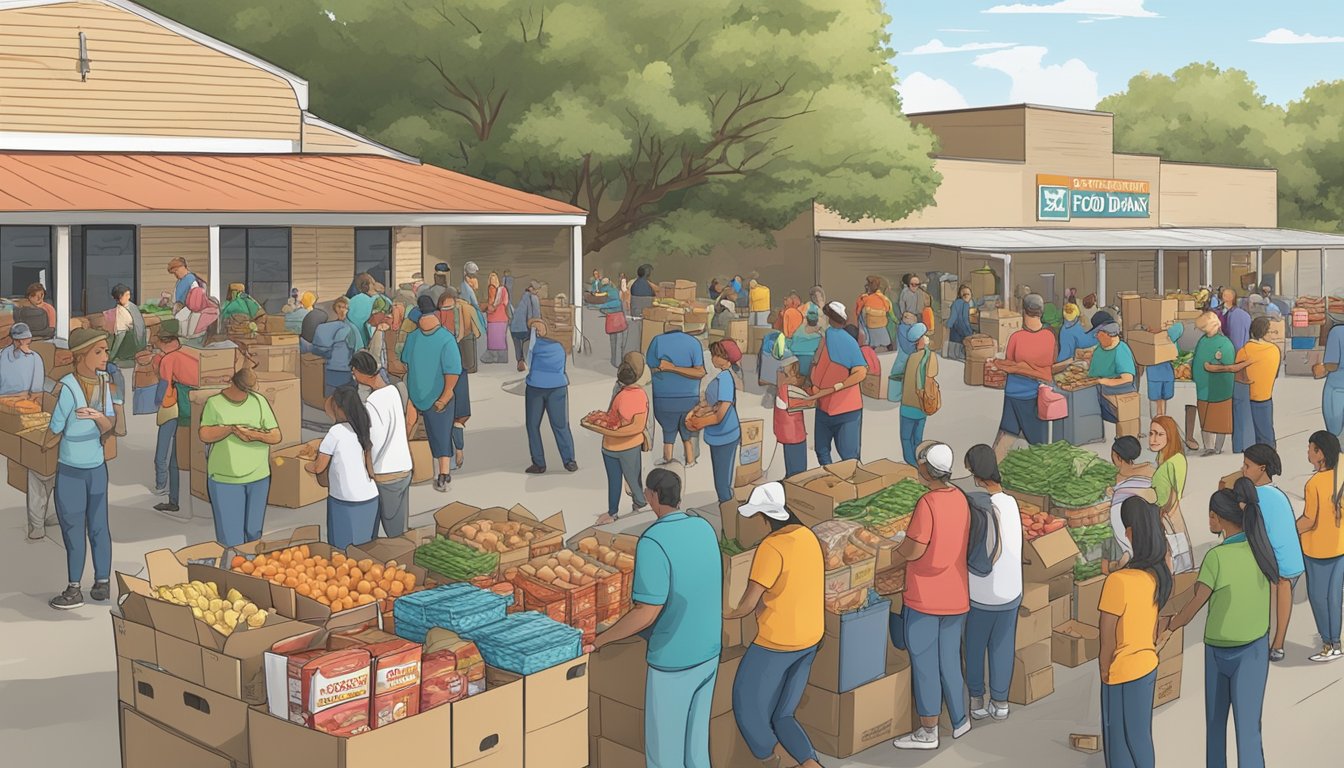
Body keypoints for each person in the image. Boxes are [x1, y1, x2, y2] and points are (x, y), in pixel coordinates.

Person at [591, 469, 722, 768]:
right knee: (696, 749)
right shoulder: (703, 527)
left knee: (665, 755)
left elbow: (645, 613)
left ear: (651, 496)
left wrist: (603, 639)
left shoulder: (653, 540)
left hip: (674, 660)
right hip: (708, 651)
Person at [1166, 477, 1277, 768]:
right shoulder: (1261, 550)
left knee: (1216, 728)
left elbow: (1192, 607)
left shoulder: (1216, 557)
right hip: (1254, 650)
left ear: (1219, 519)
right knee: (1249, 730)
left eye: (1210, 515)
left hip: (1218, 652)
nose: (1209, 520)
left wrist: (1169, 625)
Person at [725, 483, 826, 768]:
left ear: (765, 517)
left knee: (747, 707)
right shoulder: (807, 536)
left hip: (778, 641)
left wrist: (725, 615)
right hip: (810, 637)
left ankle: (773, 762)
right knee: (783, 714)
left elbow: (748, 602)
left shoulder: (771, 546)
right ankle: (810, 764)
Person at [892, 441, 970, 750]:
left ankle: (928, 730)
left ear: (926, 471)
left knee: (924, 662)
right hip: (956, 595)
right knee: (949, 659)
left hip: (925, 597)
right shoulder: (960, 499)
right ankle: (960, 718)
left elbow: (915, 549)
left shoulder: (927, 504)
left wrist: (893, 549)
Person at [44, 329, 118, 610]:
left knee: (85, 528)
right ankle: (88, 584)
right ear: (81, 356)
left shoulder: (101, 382)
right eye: (98, 352)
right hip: (86, 468)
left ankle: (91, 584)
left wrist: (97, 416)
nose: (105, 357)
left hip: (80, 470)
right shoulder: (68, 386)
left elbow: (57, 428)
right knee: (89, 527)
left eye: (105, 351)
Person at [1098, 496, 1173, 768]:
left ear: (1129, 533)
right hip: (1147, 665)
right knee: (1140, 736)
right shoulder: (1158, 576)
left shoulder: (1118, 582)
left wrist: (1104, 669)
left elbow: (1107, 638)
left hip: (1120, 671)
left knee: (1118, 741)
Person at [962, 446, 1023, 723]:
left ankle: (976, 700)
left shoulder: (974, 505)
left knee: (974, 646)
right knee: (1002, 646)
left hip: (981, 593)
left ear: (975, 475)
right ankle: (1001, 702)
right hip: (1011, 591)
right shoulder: (1011, 503)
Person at [199, 367, 281, 547]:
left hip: (259, 477)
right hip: (225, 479)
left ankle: (251, 570)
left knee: (254, 533)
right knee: (231, 538)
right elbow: (204, 434)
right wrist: (230, 428)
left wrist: (254, 435)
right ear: (234, 383)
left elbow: (275, 436)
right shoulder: (214, 403)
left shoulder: (259, 401)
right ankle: (231, 571)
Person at [1238, 444, 1303, 663]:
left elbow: (1256, 533)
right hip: (1289, 561)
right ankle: (1277, 644)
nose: (1243, 470)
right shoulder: (1276, 494)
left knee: (1272, 596)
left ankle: (1274, 643)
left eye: (1247, 466)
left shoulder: (1258, 497)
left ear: (1262, 468)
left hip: (1279, 563)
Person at [400, 295, 462, 493]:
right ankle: (441, 473)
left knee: (427, 433)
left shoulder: (414, 337)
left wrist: (444, 396)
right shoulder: (446, 338)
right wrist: (445, 396)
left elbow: (405, 361)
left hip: (421, 394)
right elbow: (452, 371)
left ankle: (439, 472)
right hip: (434, 396)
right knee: (440, 434)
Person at [306, 385, 380, 550]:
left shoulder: (335, 432)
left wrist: (306, 465)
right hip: (370, 498)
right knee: (366, 551)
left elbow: (318, 467)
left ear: (338, 408)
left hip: (345, 501)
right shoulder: (362, 427)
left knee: (342, 553)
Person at [1, 323, 56, 540]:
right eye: (23, 341)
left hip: (29, 407)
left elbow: (38, 393)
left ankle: (42, 517)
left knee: (46, 470)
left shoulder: (34, 359)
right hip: (6, 408)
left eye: (29, 340)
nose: (27, 344)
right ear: (14, 340)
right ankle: (37, 522)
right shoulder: (2, 357)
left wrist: (34, 400)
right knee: (37, 471)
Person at [350, 351, 413, 538]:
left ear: (363, 373)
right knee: (401, 527)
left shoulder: (371, 403)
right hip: (404, 467)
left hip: (386, 473)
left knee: (391, 533)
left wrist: (368, 470)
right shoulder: (393, 392)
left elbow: (372, 442)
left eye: (354, 371)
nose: (353, 376)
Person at [1297, 431, 1344, 662]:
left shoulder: (1313, 483)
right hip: (1339, 547)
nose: (1308, 451)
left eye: (1311, 448)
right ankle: (1336, 642)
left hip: (1316, 550)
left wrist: (1290, 528)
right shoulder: (1340, 478)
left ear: (1320, 455)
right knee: (1334, 597)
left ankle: (1327, 643)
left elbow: (1309, 520)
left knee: (1317, 597)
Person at [587, 360, 651, 525]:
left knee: (616, 480)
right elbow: (637, 426)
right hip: (628, 445)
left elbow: (615, 420)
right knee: (632, 478)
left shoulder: (620, 394)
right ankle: (638, 505)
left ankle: (614, 511)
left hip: (610, 445)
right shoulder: (640, 395)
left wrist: (611, 431)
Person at [993, 294, 1056, 459]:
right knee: (1038, 441)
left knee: (1007, 434)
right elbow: (1050, 362)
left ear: (1024, 312)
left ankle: (992, 470)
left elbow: (1009, 363)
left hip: (1013, 393)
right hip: (1035, 394)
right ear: (1041, 312)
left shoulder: (1016, 337)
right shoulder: (1049, 337)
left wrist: (1003, 365)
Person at [148, 320, 197, 519]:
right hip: (198, 407)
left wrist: (159, 404)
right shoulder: (191, 353)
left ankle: (169, 495)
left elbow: (164, 389)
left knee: (168, 455)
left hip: (179, 407)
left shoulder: (168, 360)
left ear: (163, 340)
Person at [810, 302, 867, 465]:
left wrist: (839, 386)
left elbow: (860, 372)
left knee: (849, 457)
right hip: (823, 406)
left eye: (822, 316)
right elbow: (817, 365)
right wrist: (815, 384)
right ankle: (831, 486)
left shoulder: (847, 342)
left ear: (830, 318)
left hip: (845, 409)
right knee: (821, 450)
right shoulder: (825, 338)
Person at [646, 318, 707, 467]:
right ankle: (690, 460)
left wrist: (670, 368)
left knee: (668, 430)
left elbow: (650, 366)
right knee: (686, 431)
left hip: (663, 397)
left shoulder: (657, 341)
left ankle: (667, 460)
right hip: (689, 397)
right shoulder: (694, 343)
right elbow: (700, 372)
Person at [523, 320, 578, 475]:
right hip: (558, 387)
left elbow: (528, 362)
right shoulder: (560, 347)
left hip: (535, 387)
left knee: (533, 425)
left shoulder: (533, 345)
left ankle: (539, 463)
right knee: (560, 425)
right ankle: (569, 460)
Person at [1217, 316, 1280, 451]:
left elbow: (1237, 374)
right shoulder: (1274, 350)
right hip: (1265, 397)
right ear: (1263, 332)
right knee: (1266, 430)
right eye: (1271, 332)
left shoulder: (1245, 350)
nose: (1273, 335)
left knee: (1246, 429)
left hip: (1247, 397)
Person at [1149, 416, 1194, 574]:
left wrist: (1163, 512)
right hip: (1165, 513)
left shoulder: (1174, 461)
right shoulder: (1163, 456)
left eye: (1159, 434)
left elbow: (1175, 493)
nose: (1153, 439)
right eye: (1151, 433)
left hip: (1168, 513)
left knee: (1177, 553)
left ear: (1170, 435)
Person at [700, 340, 743, 504]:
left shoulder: (725, 379)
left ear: (725, 358)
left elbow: (721, 414)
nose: (713, 358)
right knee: (723, 477)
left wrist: (699, 422)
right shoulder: (723, 376)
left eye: (716, 354)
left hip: (724, 435)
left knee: (722, 481)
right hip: (723, 434)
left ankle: (728, 514)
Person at [1106, 436, 1156, 571]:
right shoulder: (1149, 470)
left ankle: (1127, 551)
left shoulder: (1120, 477)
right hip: (1147, 520)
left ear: (1118, 458)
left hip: (1129, 513)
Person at [1190, 311, 1236, 456]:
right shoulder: (1202, 341)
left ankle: (1217, 447)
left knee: (1219, 418)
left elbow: (1229, 367)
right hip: (1202, 387)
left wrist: (1212, 368)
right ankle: (1208, 446)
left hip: (1220, 389)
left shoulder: (1225, 344)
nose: (1202, 331)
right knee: (1205, 417)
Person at [1087, 313, 1139, 430]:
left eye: (1098, 333)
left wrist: (1103, 381)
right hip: (1098, 391)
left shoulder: (1120, 350)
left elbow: (1127, 378)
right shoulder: (1100, 349)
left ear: (1108, 333)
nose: (1096, 337)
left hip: (1114, 396)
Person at [899, 323, 937, 466]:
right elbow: (933, 374)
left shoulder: (911, 358)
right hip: (922, 404)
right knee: (917, 438)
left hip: (907, 406)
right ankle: (918, 463)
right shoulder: (930, 357)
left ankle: (911, 463)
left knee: (906, 438)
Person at [305, 296, 359, 395]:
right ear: (335, 308)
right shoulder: (329, 327)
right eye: (339, 307)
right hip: (332, 370)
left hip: (344, 371)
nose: (342, 310)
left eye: (345, 307)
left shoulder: (351, 328)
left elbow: (357, 351)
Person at [773, 360, 813, 479]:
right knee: (797, 468)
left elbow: (783, 405)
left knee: (793, 468)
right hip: (795, 432)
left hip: (789, 432)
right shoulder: (792, 388)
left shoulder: (785, 389)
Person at [1142, 325, 1183, 419]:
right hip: (1152, 371)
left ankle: (1162, 421)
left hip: (1166, 369)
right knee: (1154, 401)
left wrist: (1162, 328)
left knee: (1164, 399)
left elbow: (1179, 327)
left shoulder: (1172, 329)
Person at [107, 283, 147, 365]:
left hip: (133, 342)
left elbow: (121, 335)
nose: (128, 297)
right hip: (135, 341)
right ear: (119, 297)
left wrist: (111, 357)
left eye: (128, 295)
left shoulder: (130, 307)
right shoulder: (122, 309)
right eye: (126, 295)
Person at [509, 280, 542, 372]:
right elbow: (536, 315)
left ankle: (520, 362)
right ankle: (526, 363)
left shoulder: (523, 296)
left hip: (514, 327)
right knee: (527, 344)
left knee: (517, 345)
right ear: (533, 289)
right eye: (537, 290)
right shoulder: (534, 298)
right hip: (524, 327)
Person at [855, 276, 894, 351]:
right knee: (887, 344)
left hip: (871, 326)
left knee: (871, 343)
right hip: (881, 326)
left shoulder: (865, 298)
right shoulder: (883, 298)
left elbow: (858, 312)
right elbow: (889, 309)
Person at [788, 306, 823, 377]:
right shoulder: (820, 336)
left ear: (807, 318)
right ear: (817, 320)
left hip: (795, 363)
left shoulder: (798, 332)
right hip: (810, 365)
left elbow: (792, 345)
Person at [484, 271, 511, 364]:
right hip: (492, 319)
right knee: (493, 339)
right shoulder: (491, 290)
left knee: (500, 339)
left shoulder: (502, 290)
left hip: (500, 318)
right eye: (491, 279)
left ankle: (502, 358)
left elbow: (504, 302)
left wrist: (492, 307)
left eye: (494, 279)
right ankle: (493, 357)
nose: (493, 281)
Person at [346, 274, 378, 347]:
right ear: (366, 285)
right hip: (364, 334)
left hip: (353, 335)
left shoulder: (353, 300)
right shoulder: (368, 299)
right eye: (372, 283)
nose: (374, 285)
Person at [1218, 287, 1252, 352]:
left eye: (1225, 295)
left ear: (1231, 298)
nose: (1222, 297)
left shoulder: (1235, 314)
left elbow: (1235, 338)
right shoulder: (1222, 312)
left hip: (1232, 349)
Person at [946, 284, 974, 361]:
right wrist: (970, 333)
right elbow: (962, 321)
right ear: (960, 295)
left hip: (955, 333)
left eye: (968, 294)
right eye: (964, 294)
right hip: (959, 332)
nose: (966, 296)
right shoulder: (963, 304)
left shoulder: (958, 302)